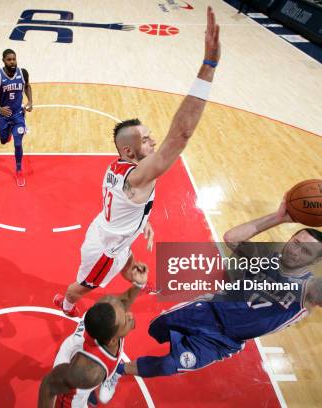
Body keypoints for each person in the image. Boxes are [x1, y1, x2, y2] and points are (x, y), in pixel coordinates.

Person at [52, 6, 221, 319]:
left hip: (111, 233)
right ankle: (65, 305)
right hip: (106, 249)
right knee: (83, 287)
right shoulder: (137, 178)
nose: (154, 142)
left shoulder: (119, 167)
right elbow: (181, 135)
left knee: (133, 269)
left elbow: (130, 200)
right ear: (129, 153)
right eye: (146, 140)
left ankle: (136, 281)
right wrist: (208, 67)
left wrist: (144, 222)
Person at [99, 195, 322, 403]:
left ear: (316, 261)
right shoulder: (266, 257)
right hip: (205, 309)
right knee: (155, 330)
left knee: (169, 365)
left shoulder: (310, 288)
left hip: (225, 340)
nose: (295, 251)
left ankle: (118, 371)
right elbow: (232, 237)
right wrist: (277, 217)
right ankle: (110, 352)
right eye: (295, 242)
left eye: (305, 251)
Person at [38, 262, 148, 408]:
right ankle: (88, 389)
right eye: (126, 320)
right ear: (113, 340)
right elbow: (48, 386)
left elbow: (123, 301)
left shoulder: (108, 308)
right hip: (71, 395)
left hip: (80, 359)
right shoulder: (90, 371)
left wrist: (139, 285)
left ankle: (96, 385)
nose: (130, 315)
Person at [0, 49, 33, 187]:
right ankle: (8, 134)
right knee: (4, 141)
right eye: (9, 60)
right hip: (4, 115)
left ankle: (18, 169)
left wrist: (30, 101)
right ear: (3, 61)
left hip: (18, 114)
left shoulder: (23, 73)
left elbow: (27, 86)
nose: (12, 62)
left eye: (14, 59)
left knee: (18, 143)